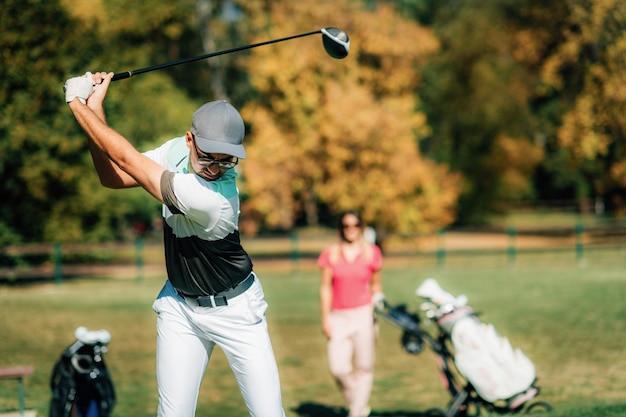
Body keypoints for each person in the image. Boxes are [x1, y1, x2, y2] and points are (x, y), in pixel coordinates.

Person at [64, 71, 285, 417]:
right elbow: (114, 175)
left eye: (227, 159)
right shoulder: (174, 153)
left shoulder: (215, 198)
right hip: (181, 306)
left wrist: (78, 106)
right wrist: (95, 107)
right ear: (189, 140)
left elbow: (126, 159)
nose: (215, 167)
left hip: (237, 311)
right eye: (209, 155)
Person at [317, 210, 384, 417]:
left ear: (361, 227)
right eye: (346, 226)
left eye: (355, 225)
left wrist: (377, 312)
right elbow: (326, 287)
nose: (350, 229)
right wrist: (325, 318)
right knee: (338, 368)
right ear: (341, 228)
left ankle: (356, 412)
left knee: (364, 367)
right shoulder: (331, 253)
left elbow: (376, 286)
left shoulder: (371, 253)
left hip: (364, 314)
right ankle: (359, 404)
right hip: (339, 316)